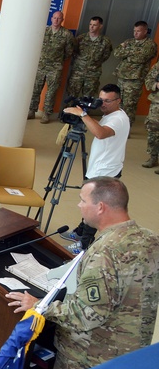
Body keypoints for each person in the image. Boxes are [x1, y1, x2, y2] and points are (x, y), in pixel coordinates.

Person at [6, 177, 159, 369]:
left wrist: (39, 306)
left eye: (83, 200)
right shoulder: (149, 239)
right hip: (131, 354)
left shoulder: (104, 253)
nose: (79, 205)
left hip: (89, 360)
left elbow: (86, 315)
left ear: (100, 207)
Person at [61, 84, 130, 250]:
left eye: (108, 101)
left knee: (93, 205)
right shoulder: (111, 114)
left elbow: (100, 133)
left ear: (118, 100)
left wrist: (83, 114)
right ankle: (79, 232)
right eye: (101, 100)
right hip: (99, 167)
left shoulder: (118, 119)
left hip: (105, 171)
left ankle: (84, 244)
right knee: (89, 200)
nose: (103, 104)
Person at [30, 10, 76, 123]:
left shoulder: (66, 34)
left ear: (62, 20)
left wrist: (57, 60)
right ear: (51, 18)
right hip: (41, 65)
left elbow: (69, 52)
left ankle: (46, 114)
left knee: (51, 92)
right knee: (35, 89)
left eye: (59, 18)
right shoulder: (44, 31)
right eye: (54, 18)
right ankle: (32, 111)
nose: (56, 20)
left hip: (55, 68)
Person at [113, 20, 158, 124]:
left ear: (145, 31)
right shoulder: (130, 41)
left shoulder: (150, 44)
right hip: (122, 77)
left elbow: (140, 58)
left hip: (135, 80)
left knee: (129, 105)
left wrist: (126, 54)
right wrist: (132, 53)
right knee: (118, 102)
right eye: (134, 31)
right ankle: (117, 125)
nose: (135, 33)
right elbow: (116, 53)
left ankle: (126, 128)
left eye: (138, 31)